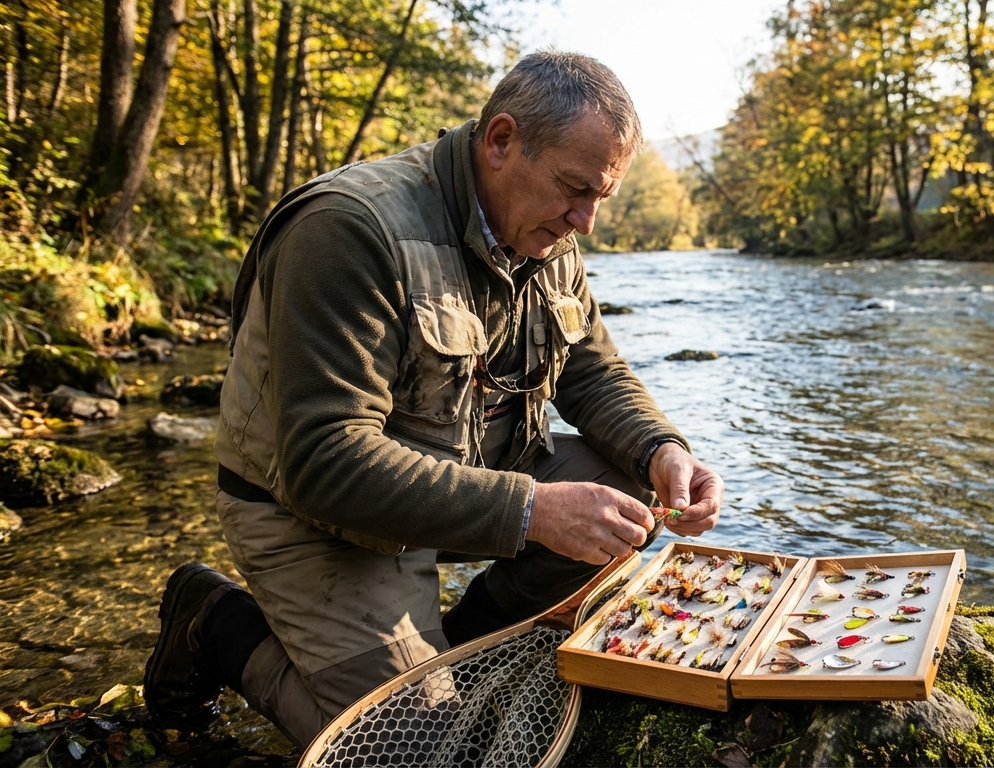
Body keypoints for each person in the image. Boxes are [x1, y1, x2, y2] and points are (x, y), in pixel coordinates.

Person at [142, 51, 723, 749]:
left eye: (601, 196)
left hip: (455, 479)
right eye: (575, 189)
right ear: (501, 141)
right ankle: (221, 623)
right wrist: (533, 510)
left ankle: (451, 656)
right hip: (315, 514)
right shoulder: (349, 230)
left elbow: (592, 371)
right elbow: (325, 463)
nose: (588, 222)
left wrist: (664, 450)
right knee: (413, 751)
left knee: (626, 490)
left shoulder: (547, 229)